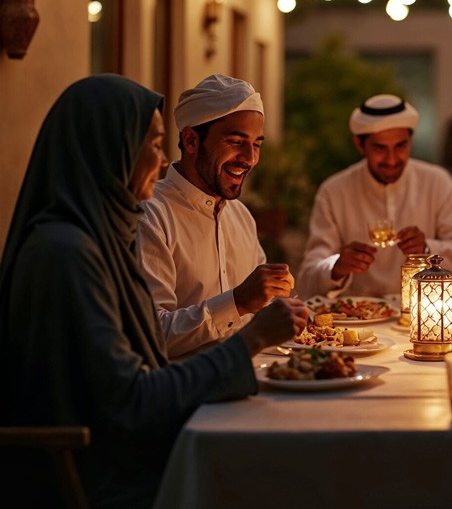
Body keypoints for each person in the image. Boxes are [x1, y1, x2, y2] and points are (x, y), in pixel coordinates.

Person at [0, 75, 308, 508]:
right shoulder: (66, 255)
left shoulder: (95, 239)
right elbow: (132, 403)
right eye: (153, 143)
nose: (163, 160)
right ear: (109, 148)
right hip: (106, 476)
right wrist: (251, 338)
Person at [136, 75, 295, 358]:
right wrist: (237, 302)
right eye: (236, 141)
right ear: (190, 140)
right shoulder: (151, 214)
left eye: (257, 144)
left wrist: (284, 310)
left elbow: (260, 309)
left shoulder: (241, 215)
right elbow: (150, 334)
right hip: (184, 394)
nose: (249, 158)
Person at [298, 94, 452, 297]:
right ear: (359, 145)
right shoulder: (334, 191)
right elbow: (310, 272)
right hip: (355, 320)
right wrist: (336, 267)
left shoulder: (437, 182)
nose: (391, 160)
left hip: (423, 317)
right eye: (380, 148)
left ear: (410, 141)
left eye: (400, 146)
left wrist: (427, 249)